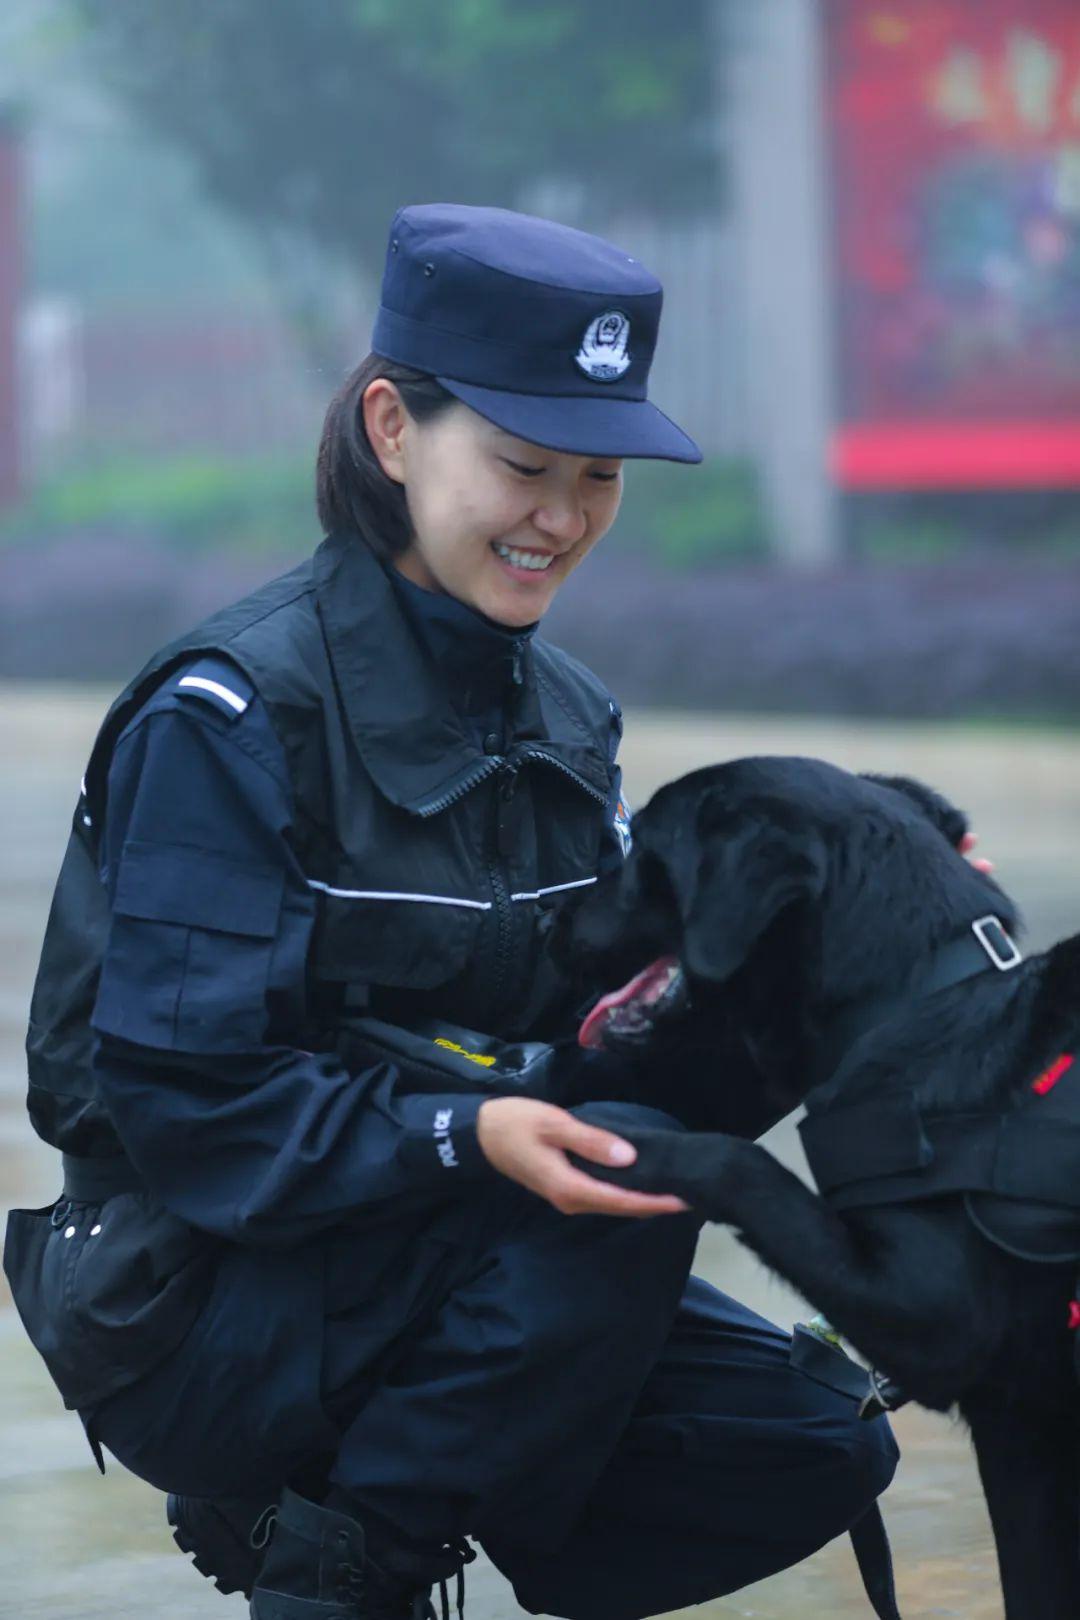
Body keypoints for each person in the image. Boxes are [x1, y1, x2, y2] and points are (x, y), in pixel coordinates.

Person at [5, 204, 898, 1620]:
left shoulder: (569, 718)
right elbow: (188, 1108)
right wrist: (468, 1129)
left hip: (428, 1246)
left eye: (598, 476)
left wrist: (835, 956)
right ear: (392, 428)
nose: (563, 519)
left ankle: (347, 1500)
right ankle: (344, 1567)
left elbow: (594, 1040)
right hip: (190, 1293)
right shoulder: (229, 718)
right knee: (616, 1196)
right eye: (524, 466)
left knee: (810, 1440)